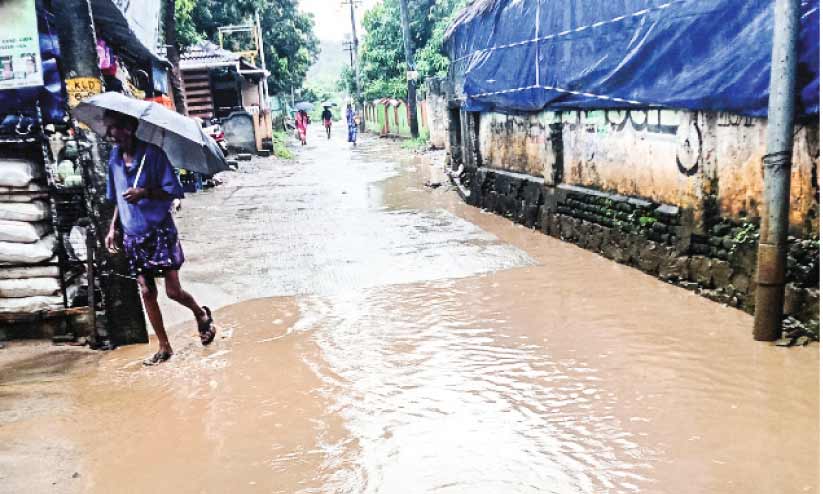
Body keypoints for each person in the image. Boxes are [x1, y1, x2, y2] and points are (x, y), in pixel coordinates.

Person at [102, 110, 217, 366]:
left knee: (173, 291)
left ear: (129, 128)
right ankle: (164, 347)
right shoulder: (114, 159)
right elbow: (118, 198)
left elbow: (173, 192)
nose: (111, 134)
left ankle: (200, 314)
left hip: (159, 231)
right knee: (146, 291)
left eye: (115, 128)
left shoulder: (153, 155)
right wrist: (113, 228)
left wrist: (145, 192)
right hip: (133, 235)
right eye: (109, 129)